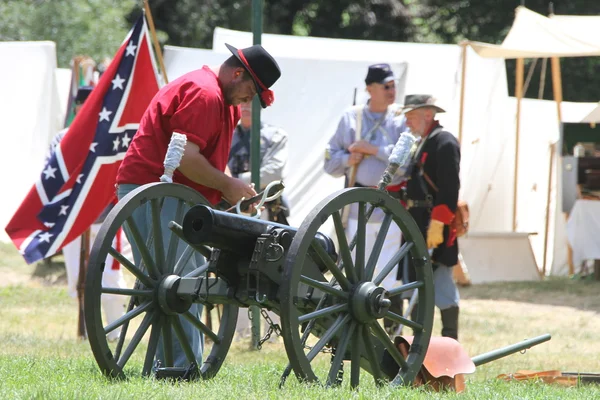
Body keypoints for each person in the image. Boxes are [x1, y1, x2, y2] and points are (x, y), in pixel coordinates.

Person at [116, 43, 281, 367]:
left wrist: (237, 190)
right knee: (181, 282)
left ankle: (166, 365)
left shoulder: (226, 103)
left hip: (176, 196)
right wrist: (228, 186)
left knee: (174, 282)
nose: (250, 100)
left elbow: (213, 161)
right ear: (237, 74)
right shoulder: (204, 94)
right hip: (155, 192)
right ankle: (182, 368)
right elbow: (188, 162)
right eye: (252, 90)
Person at [323, 63, 408, 334]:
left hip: (389, 203)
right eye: (386, 86)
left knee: (388, 273)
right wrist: (350, 158)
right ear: (370, 88)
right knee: (355, 272)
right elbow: (329, 160)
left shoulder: (400, 119)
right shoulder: (352, 118)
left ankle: (392, 332)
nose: (392, 91)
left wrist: (373, 149)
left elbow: (405, 161)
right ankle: (355, 328)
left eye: (394, 85)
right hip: (357, 206)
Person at [47, 86, 127, 341]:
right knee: (77, 279)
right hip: (74, 220)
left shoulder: (110, 138)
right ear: (77, 108)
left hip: (106, 219)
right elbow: (53, 176)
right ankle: (84, 330)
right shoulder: (63, 139)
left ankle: (114, 332)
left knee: (110, 277)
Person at [400, 94, 461, 341]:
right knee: (417, 284)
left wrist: (437, 227)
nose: (407, 124)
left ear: (428, 115)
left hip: (434, 224)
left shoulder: (444, 142)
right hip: (417, 222)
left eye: (411, 117)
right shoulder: (423, 142)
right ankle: (417, 345)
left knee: (442, 285)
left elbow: (449, 190)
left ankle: (450, 341)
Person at [228, 101, 290, 224]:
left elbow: (274, 173)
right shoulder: (227, 133)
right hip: (227, 205)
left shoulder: (275, 135)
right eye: (243, 101)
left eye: (250, 101)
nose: (245, 105)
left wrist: (232, 181)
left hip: (262, 207)